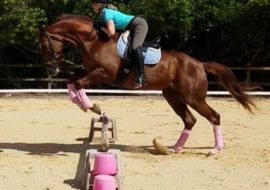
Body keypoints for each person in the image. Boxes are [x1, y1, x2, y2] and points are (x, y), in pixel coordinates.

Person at [91, 0, 148, 88]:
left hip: (139, 25)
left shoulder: (107, 13)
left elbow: (111, 33)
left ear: (99, 4)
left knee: (135, 47)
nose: (92, 5)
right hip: (129, 28)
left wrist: (100, 26)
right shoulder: (102, 15)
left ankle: (141, 77)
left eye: (93, 3)